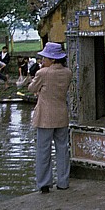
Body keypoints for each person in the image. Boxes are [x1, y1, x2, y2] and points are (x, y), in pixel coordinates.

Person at [28, 42, 72, 193]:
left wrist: (39, 72)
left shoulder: (43, 73)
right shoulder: (67, 72)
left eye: (44, 58)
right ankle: (63, 182)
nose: (42, 61)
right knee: (62, 149)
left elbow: (31, 88)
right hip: (61, 115)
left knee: (43, 150)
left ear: (52, 59)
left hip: (45, 117)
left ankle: (44, 183)